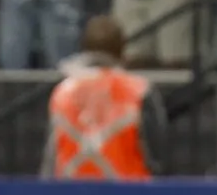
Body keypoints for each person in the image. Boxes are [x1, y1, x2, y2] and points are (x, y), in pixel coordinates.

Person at [41, 15, 166, 180]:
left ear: (84, 48)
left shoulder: (62, 91)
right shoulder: (139, 90)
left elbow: (51, 159)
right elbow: (156, 155)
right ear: (122, 49)